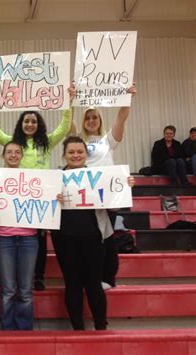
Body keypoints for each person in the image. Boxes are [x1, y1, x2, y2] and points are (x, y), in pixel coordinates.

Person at [0, 87, 74, 291]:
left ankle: (38, 276)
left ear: (39, 125)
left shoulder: (47, 143)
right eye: (26, 121)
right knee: (16, 238)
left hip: (39, 198)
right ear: (21, 124)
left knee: (39, 238)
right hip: (15, 197)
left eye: (34, 121)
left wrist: (68, 104)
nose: (30, 124)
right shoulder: (13, 143)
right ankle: (13, 276)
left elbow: (63, 128)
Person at [52, 136, 134, 330]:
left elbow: (115, 207)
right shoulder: (54, 179)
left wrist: (126, 186)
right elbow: (42, 209)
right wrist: (52, 200)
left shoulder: (99, 178)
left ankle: (100, 325)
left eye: (80, 152)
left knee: (93, 283)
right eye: (71, 152)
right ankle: (78, 327)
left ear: (86, 155)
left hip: (93, 237)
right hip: (64, 239)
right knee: (72, 283)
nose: (75, 155)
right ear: (64, 155)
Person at [70, 84, 137, 289]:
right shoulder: (77, 140)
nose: (91, 121)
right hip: (83, 199)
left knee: (106, 239)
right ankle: (89, 277)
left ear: (100, 120)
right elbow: (68, 123)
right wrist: (71, 100)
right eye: (88, 117)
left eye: (95, 117)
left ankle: (108, 278)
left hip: (106, 198)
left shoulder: (108, 139)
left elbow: (121, 117)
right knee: (87, 242)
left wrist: (127, 97)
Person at [0, 141, 38, 330]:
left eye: (16, 152)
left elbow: (44, 203)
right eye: (9, 152)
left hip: (29, 238)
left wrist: (54, 199)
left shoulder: (34, 179)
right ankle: (8, 331)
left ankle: (25, 333)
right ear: (3, 155)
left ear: (22, 156)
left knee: (26, 290)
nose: (13, 155)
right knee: (8, 290)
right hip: (3, 238)